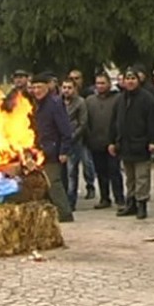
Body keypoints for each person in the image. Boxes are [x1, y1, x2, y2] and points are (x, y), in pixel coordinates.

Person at [109, 67, 154, 219]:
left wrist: (153, 141)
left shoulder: (147, 99)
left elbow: (153, 122)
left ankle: (141, 204)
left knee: (142, 177)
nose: (130, 82)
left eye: (133, 79)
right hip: (124, 145)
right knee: (129, 177)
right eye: (127, 79)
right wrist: (112, 141)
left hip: (141, 144)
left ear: (139, 80)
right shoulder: (120, 99)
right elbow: (113, 122)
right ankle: (130, 203)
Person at [30, 73, 74, 222]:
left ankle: (65, 213)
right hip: (39, 151)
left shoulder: (55, 104)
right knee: (42, 183)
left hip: (53, 151)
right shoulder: (35, 105)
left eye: (40, 87)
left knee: (53, 182)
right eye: (34, 87)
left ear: (48, 87)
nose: (37, 90)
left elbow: (66, 130)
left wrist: (64, 150)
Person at [86, 73, 124, 209]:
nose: (100, 86)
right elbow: (86, 122)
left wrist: (116, 141)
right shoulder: (90, 101)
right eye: (98, 83)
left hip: (112, 143)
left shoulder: (118, 99)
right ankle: (104, 198)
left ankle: (120, 198)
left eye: (103, 83)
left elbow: (120, 121)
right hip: (96, 142)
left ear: (109, 84)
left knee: (114, 171)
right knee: (100, 172)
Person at [61, 79, 89, 211]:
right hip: (60, 142)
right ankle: (62, 200)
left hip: (74, 142)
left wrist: (72, 137)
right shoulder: (57, 102)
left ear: (75, 89)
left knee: (71, 172)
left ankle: (71, 202)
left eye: (69, 88)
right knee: (61, 174)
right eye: (64, 87)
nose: (66, 90)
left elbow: (83, 123)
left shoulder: (80, 102)